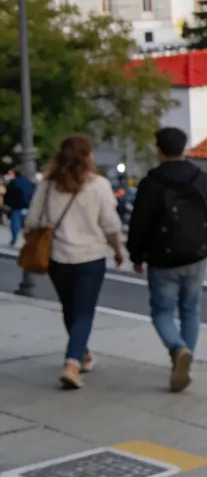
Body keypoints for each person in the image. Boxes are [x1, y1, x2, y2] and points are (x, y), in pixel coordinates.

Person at [126, 127, 207, 393]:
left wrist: (136, 254)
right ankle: (185, 358)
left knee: (161, 310)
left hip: (161, 258)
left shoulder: (151, 182)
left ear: (159, 149)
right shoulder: (202, 179)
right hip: (196, 254)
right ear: (184, 148)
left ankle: (177, 348)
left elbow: (139, 223)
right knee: (190, 309)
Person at [25, 135, 124, 389]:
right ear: (88, 156)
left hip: (58, 257)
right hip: (90, 257)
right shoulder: (99, 185)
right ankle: (72, 363)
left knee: (70, 309)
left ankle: (84, 353)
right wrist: (117, 249)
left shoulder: (47, 185)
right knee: (83, 312)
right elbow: (110, 224)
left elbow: (33, 220)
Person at [4, 168, 35, 246]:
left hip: (16, 206)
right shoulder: (29, 183)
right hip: (27, 206)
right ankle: (26, 241)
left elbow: (8, 194)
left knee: (15, 223)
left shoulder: (14, 182)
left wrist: (7, 204)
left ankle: (14, 239)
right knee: (24, 224)